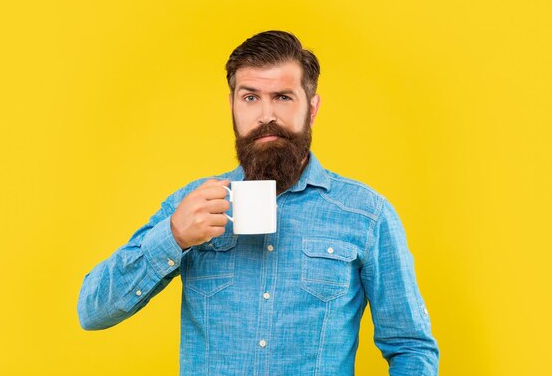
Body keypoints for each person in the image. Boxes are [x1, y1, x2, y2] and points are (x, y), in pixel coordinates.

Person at [77, 30, 439, 375]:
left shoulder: (366, 215)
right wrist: (173, 236)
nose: (267, 115)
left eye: (283, 97)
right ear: (232, 106)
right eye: (250, 97)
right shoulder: (194, 205)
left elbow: (411, 347)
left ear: (311, 109)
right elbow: (92, 311)